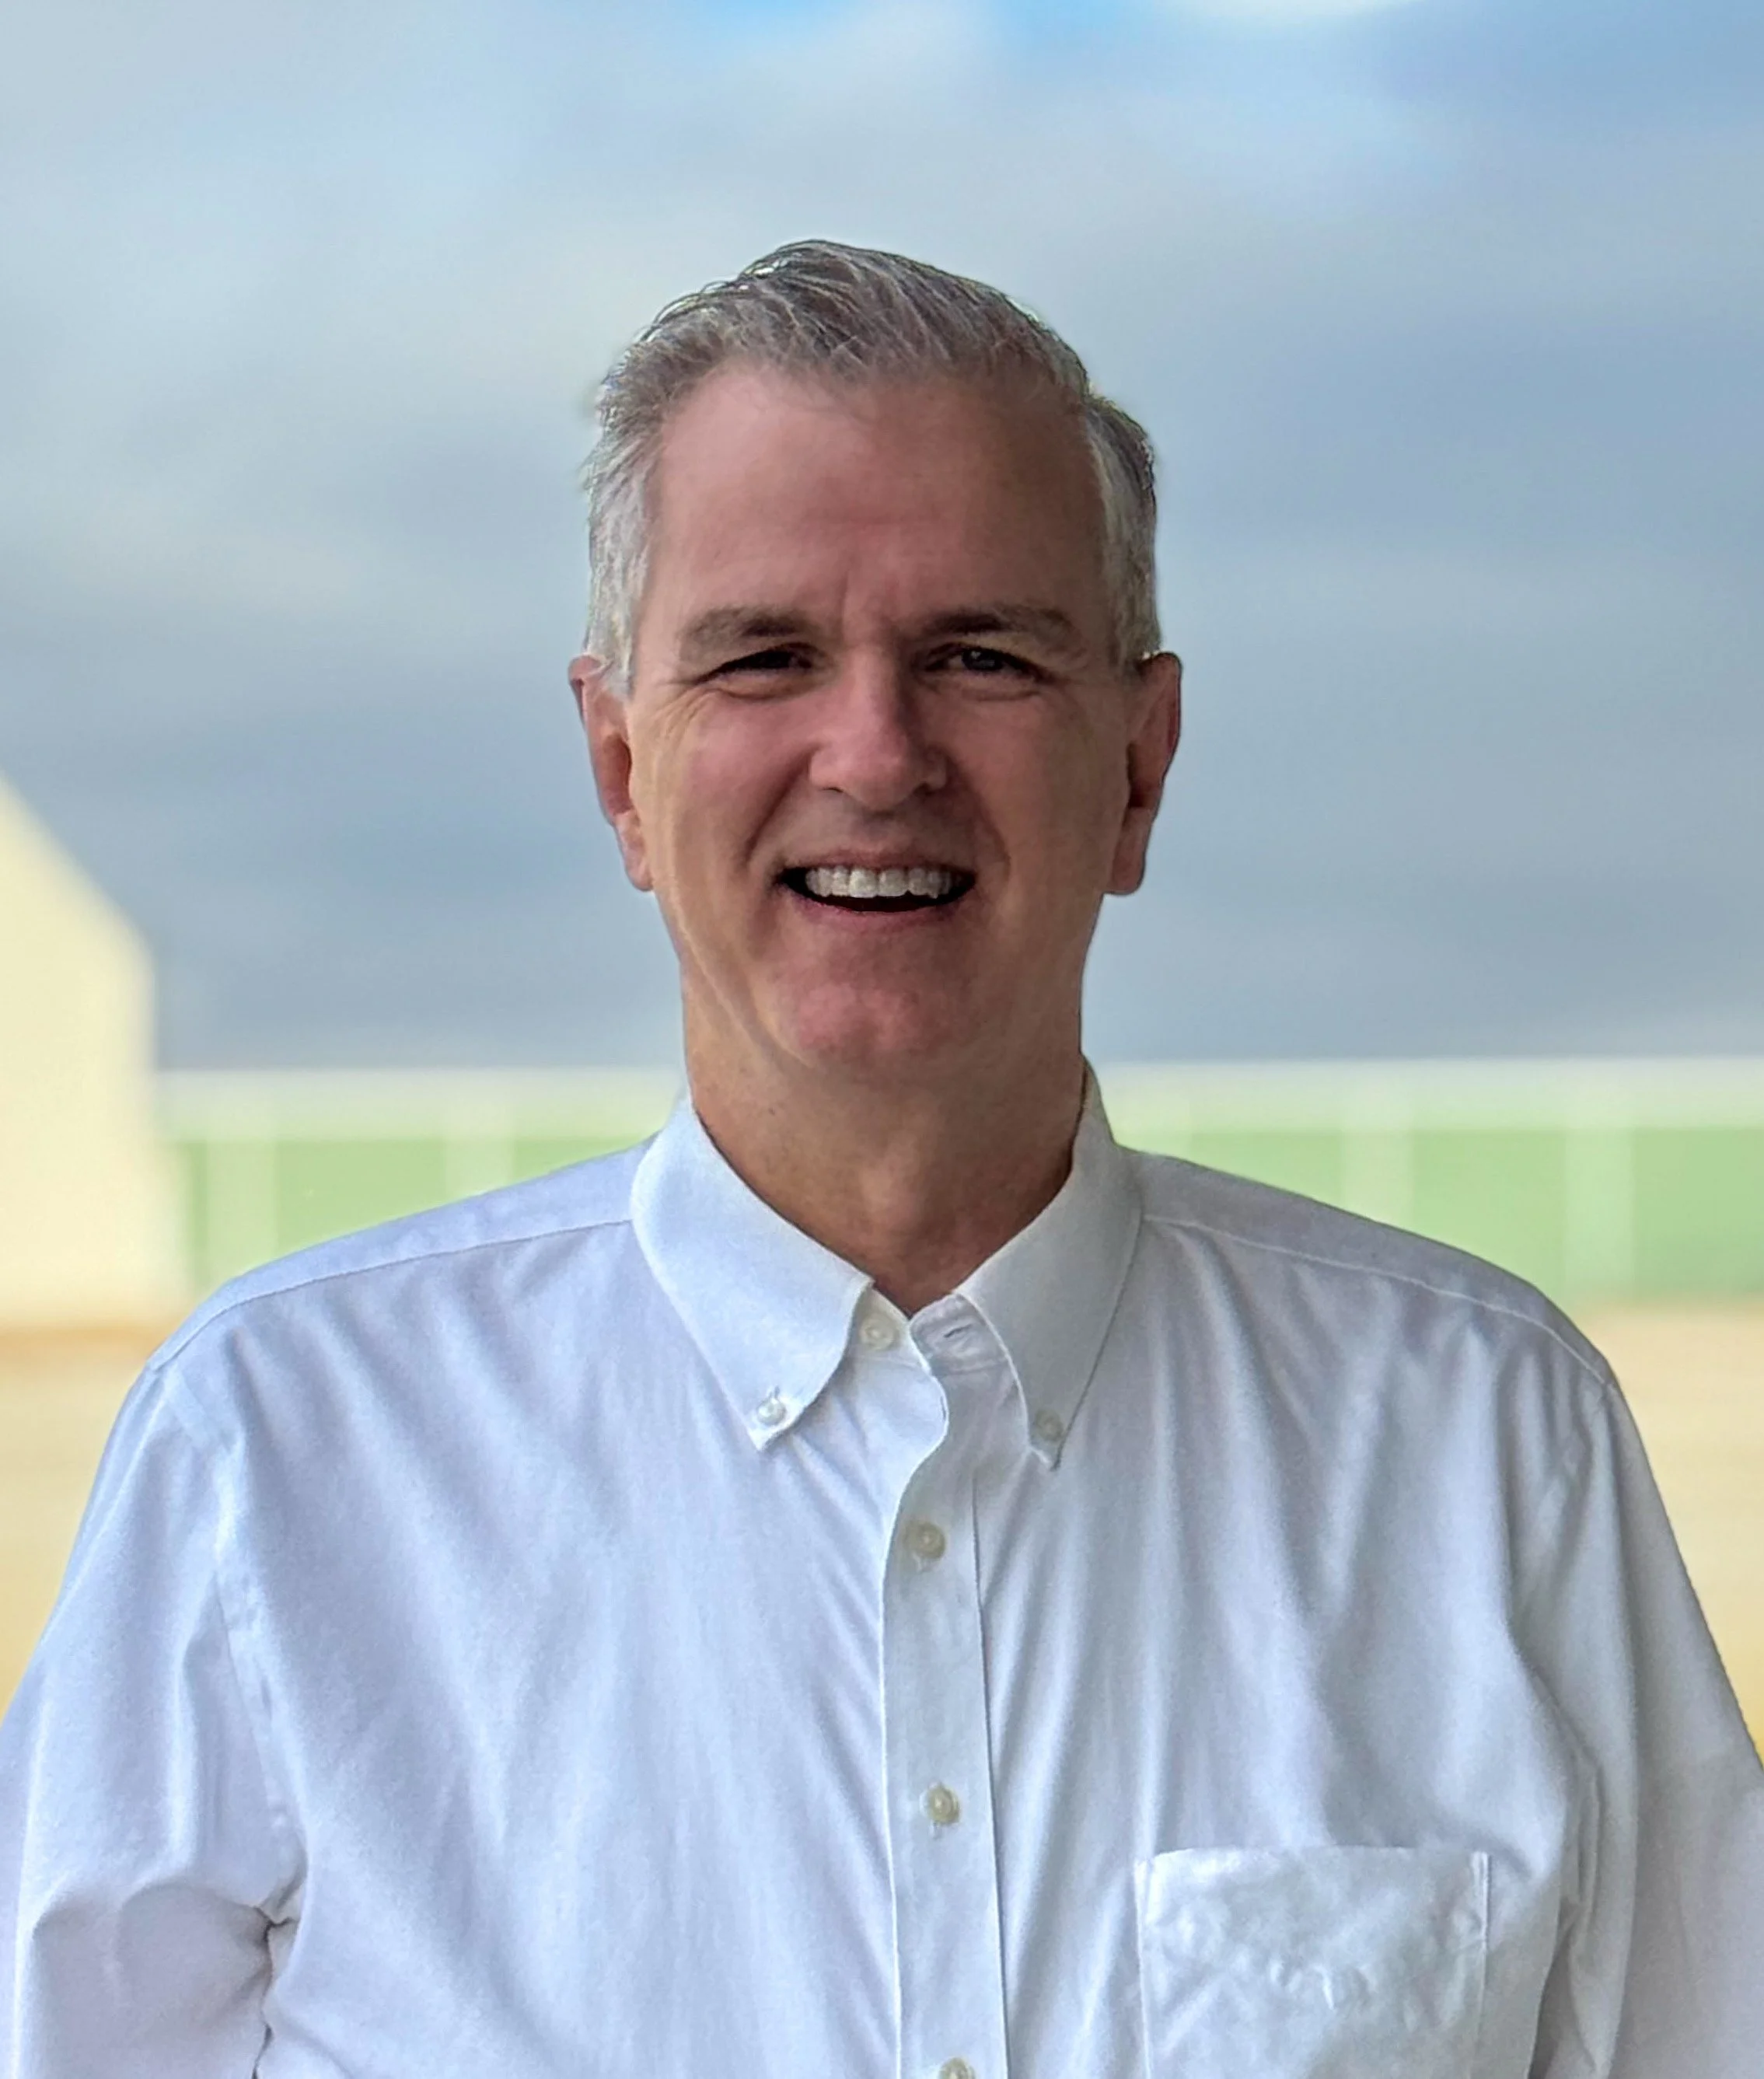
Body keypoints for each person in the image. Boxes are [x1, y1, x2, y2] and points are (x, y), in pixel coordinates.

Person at [1, 240, 1759, 2078]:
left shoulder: (1488, 1444)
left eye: (980, 655)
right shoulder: (277, 1459)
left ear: (1141, 767)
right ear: (620, 772)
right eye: (765, 655)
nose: (875, 750)